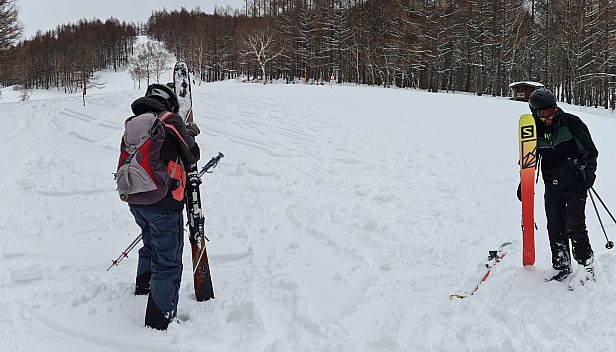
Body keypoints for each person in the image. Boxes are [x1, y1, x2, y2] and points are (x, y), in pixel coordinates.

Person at [129, 83, 200, 330]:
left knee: (150, 244)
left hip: (136, 199)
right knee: (168, 262)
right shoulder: (170, 119)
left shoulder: (136, 121)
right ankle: (159, 322)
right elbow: (193, 153)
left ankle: (143, 288)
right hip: (164, 203)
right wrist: (187, 132)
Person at [521, 87, 598, 287]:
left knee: (574, 224)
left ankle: (586, 264)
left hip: (575, 182)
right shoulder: (532, 132)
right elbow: (529, 159)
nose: (549, 116)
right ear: (535, 113)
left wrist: (589, 173)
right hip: (552, 184)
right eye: (544, 113)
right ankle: (561, 264)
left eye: (553, 110)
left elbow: (590, 151)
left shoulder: (571, 123)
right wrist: (525, 183)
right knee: (555, 225)